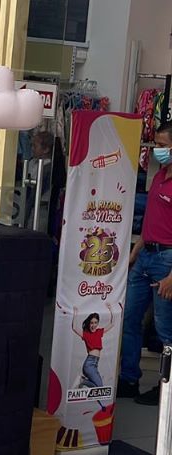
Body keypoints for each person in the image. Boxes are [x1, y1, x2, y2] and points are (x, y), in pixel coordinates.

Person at [118, 121, 172, 404]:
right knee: (129, 319)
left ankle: (166, 390)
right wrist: (133, 255)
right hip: (146, 256)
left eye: (162, 146)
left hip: (166, 260)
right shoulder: (160, 176)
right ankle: (129, 378)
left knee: (165, 330)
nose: (157, 150)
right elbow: (151, 222)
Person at [72, 307, 113, 389]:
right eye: (91, 323)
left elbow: (112, 324)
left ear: (98, 323)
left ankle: (82, 380)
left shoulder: (99, 332)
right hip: (89, 364)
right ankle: (82, 381)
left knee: (98, 388)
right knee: (99, 387)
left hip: (95, 364)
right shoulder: (86, 334)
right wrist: (75, 313)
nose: (93, 325)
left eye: (95, 322)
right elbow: (74, 328)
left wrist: (111, 309)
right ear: (89, 323)